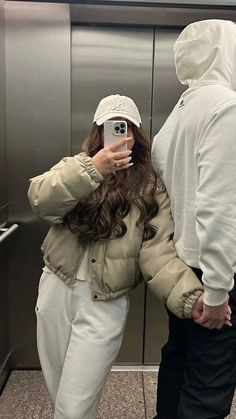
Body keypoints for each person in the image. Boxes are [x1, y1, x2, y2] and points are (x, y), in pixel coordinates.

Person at [28, 94, 204, 419]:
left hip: (103, 304)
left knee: (73, 407)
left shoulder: (149, 186)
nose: (120, 135)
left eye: (125, 128)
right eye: (111, 126)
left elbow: (158, 251)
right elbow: (40, 200)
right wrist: (91, 170)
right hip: (55, 289)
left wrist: (189, 295)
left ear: (136, 134)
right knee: (63, 396)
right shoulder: (75, 166)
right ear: (98, 130)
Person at [152, 20, 236, 419]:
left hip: (184, 270)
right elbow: (219, 209)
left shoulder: (174, 118)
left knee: (179, 362)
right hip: (215, 275)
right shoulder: (226, 107)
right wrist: (218, 294)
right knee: (208, 384)